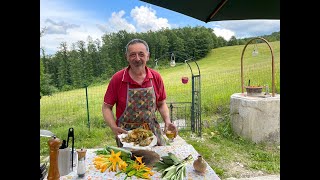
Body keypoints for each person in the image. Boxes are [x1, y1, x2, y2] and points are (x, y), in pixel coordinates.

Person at [102, 38, 178, 147]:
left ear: (148, 56)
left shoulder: (155, 77)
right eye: (133, 54)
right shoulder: (118, 78)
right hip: (126, 135)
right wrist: (113, 127)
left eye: (141, 54)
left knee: (158, 160)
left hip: (152, 131)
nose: (137, 59)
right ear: (127, 57)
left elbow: (161, 104)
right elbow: (106, 107)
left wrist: (167, 121)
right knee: (131, 163)